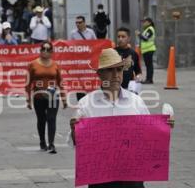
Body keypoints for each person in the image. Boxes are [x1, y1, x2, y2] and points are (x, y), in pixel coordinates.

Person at [70, 48, 174, 188]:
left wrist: (164, 127)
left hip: (132, 176)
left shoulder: (136, 101)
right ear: (100, 74)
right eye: (110, 70)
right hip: (101, 178)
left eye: (119, 70)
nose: (115, 75)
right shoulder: (85, 104)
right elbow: (77, 144)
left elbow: (149, 136)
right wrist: (74, 131)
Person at [26, 41, 67, 154]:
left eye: (48, 49)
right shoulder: (33, 64)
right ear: (40, 50)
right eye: (43, 49)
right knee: (41, 119)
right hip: (38, 96)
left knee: (51, 119)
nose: (45, 51)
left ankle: (51, 144)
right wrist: (28, 100)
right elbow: (28, 83)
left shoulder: (55, 65)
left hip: (53, 96)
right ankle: (42, 141)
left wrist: (64, 98)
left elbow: (60, 82)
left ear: (52, 52)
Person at [70, 15, 96, 101]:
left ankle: (90, 100)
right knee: (79, 83)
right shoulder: (73, 33)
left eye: (80, 22)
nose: (78, 24)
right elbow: (69, 47)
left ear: (84, 23)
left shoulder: (91, 32)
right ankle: (80, 101)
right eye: (76, 23)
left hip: (89, 62)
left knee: (89, 81)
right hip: (78, 62)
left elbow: (96, 45)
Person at [135, 17, 156, 84]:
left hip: (149, 49)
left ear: (149, 22)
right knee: (148, 65)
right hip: (146, 50)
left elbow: (145, 38)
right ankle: (148, 79)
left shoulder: (150, 29)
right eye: (143, 22)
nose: (143, 23)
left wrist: (139, 34)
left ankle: (149, 79)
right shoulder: (147, 29)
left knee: (149, 65)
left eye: (145, 22)